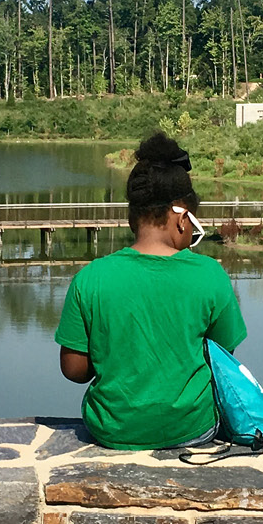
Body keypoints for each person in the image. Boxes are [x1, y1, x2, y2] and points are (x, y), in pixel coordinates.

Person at [55, 133, 246, 450]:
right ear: (183, 218)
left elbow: (74, 370)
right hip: (192, 428)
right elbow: (223, 355)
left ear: (133, 216)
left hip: (111, 429)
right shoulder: (211, 275)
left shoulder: (90, 278)